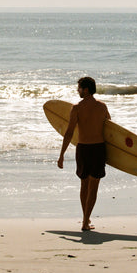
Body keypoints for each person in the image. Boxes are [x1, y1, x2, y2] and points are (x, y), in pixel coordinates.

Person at [57, 77, 111, 231]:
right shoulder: (102, 107)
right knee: (93, 186)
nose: (77, 90)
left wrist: (61, 155)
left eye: (79, 88)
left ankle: (85, 220)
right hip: (98, 149)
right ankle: (86, 221)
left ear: (85, 90)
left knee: (84, 184)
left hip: (83, 150)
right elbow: (111, 130)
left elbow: (68, 133)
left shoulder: (77, 108)